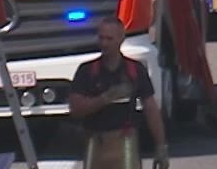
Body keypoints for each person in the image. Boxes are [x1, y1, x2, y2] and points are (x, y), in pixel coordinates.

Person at [68, 18, 168, 169]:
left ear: (121, 39)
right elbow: (75, 109)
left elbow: (151, 109)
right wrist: (104, 98)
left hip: (126, 142)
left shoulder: (135, 70)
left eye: (109, 39)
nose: (104, 43)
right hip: (95, 141)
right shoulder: (87, 71)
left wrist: (161, 147)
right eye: (101, 38)